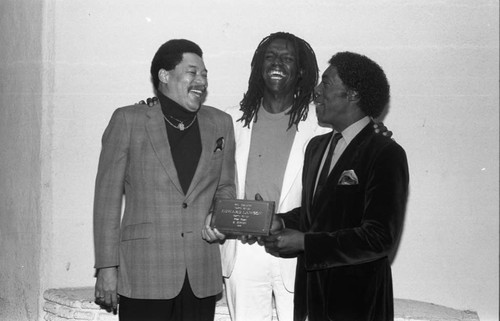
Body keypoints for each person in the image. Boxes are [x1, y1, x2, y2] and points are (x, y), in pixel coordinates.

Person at [140, 33, 390, 321]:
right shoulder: (226, 120)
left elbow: (356, 140)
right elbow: (188, 143)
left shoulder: (322, 124)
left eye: (288, 58)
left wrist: (375, 128)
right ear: (258, 65)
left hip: (298, 249)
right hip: (242, 251)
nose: (277, 63)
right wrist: (157, 106)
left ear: (301, 71)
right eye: (270, 56)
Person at [93, 39, 236, 321]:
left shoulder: (221, 123)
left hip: (200, 273)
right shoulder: (128, 120)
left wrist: (219, 217)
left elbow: (226, 187)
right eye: (193, 72)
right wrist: (107, 268)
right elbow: (106, 200)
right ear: (164, 75)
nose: (201, 81)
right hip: (145, 272)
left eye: (205, 74)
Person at [262, 51, 409, 321]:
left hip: (357, 304)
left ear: (352, 95)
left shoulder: (384, 152)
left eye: (326, 83)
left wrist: (305, 242)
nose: (316, 91)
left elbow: (379, 237)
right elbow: (317, 216)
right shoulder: (316, 148)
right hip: (311, 299)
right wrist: (281, 222)